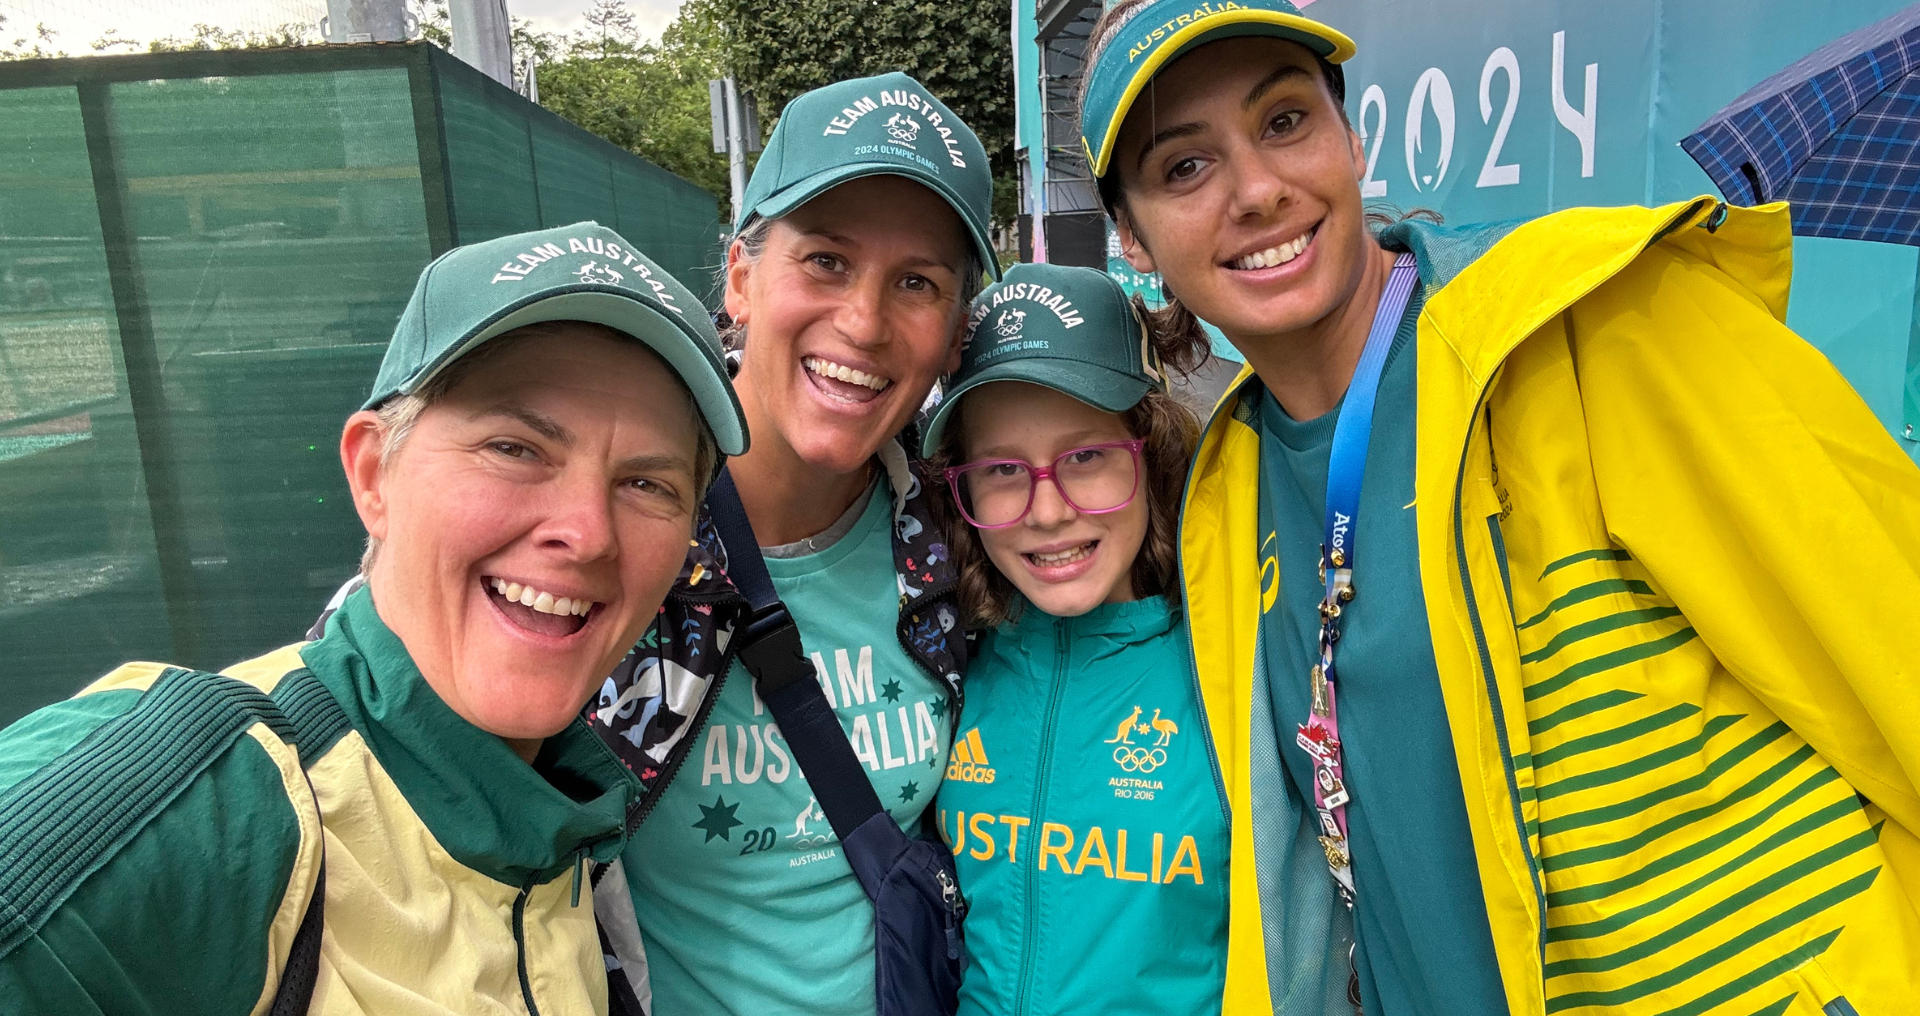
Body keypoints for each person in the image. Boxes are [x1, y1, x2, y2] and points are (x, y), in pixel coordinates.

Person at [1078, 0, 1920, 1016]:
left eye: (1286, 119)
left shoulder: (1597, 324)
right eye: (1187, 165)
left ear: (1349, 139)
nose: (1256, 190)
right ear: (1133, 240)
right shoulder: (1227, 493)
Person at [0, 221, 749, 1014]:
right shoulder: (212, 801)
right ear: (371, 474)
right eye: (515, 448)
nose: (589, 532)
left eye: (646, 485)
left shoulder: (557, 811)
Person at [588, 71, 998, 1016]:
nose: (863, 322)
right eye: (824, 261)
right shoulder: (609, 529)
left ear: (953, 335)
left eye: (917, 283)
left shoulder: (959, 542)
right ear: (740, 277)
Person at [918, 262, 1235, 1015]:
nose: (1048, 511)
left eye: (1085, 457)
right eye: (1001, 469)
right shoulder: (949, 665)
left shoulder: (1234, 664)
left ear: (1148, 448)